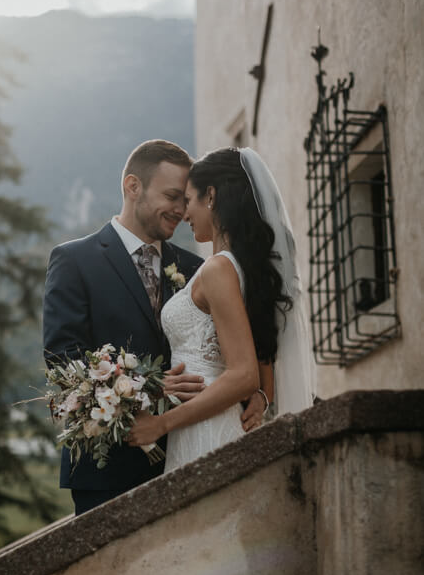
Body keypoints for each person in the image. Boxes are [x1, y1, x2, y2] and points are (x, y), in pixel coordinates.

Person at [43, 140, 268, 515]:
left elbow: (246, 338)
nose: (181, 210)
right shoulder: (74, 260)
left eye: (187, 199)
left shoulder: (199, 267)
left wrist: (261, 392)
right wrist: (145, 387)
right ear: (133, 187)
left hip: (190, 447)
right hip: (108, 466)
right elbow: (62, 362)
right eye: (172, 196)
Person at [128, 147, 314, 469]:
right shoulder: (240, 268)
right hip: (208, 423)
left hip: (207, 430)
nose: (184, 213)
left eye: (188, 200)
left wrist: (162, 424)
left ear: (210, 196)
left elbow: (243, 374)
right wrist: (265, 394)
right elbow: (260, 348)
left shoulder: (217, 269)